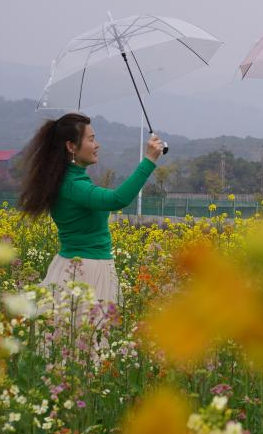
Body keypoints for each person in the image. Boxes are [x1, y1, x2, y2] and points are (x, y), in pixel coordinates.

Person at [20, 112, 163, 304]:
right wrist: (149, 161)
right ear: (71, 146)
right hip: (87, 272)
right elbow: (117, 199)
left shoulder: (68, 181)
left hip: (73, 267)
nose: (97, 145)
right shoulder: (73, 185)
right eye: (91, 139)